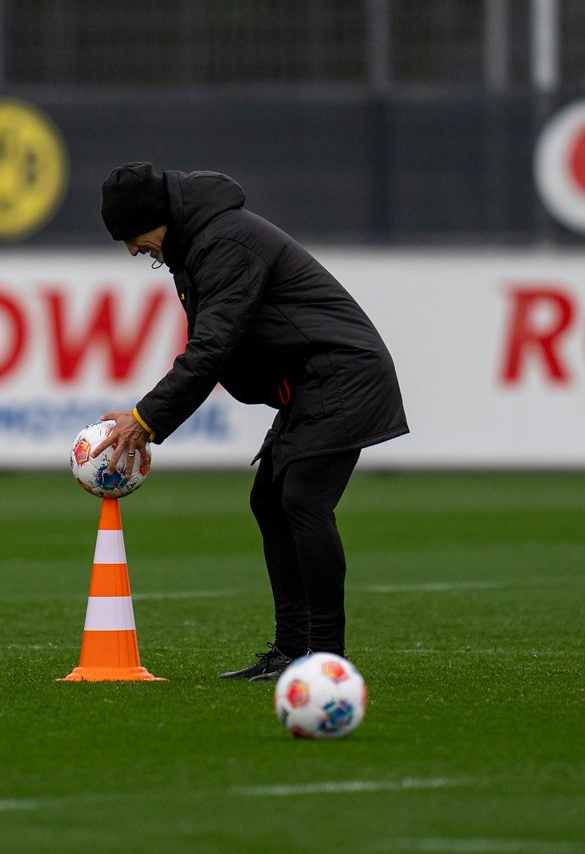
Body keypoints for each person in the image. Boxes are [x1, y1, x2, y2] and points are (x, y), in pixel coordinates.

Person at [92, 162, 408, 682]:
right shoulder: (194, 245)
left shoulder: (224, 244)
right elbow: (217, 348)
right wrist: (149, 421)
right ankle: (292, 651)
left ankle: (326, 658)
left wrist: (146, 419)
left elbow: (212, 348)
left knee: (303, 499)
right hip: (312, 381)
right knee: (269, 500)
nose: (131, 250)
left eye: (132, 236)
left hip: (342, 375)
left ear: (157, 216)